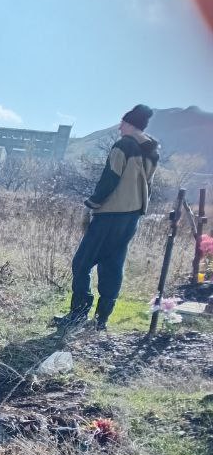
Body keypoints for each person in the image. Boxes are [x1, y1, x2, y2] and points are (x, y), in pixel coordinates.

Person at [57, 104, 161, 331]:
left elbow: (110, 178)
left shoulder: (124, 145)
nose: (119, 128)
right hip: (132, 217)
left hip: (110, 213)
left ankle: (77, 316)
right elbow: (148, 186)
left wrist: (92, 203)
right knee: (113, 265)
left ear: (130, 124)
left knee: (82, 263)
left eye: (122, 123)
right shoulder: (152, 152)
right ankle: (101, 320)